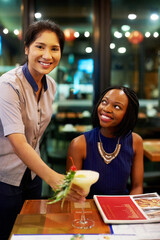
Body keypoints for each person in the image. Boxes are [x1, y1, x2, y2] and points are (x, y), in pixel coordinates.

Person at [0, 20, 85, 240]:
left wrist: (43, 175)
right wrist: (54, 178)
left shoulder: (52, 86)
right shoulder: (8, 85)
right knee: (7, 233)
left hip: (33, 175)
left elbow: (35, 136)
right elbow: (18, 141)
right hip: (5, 177)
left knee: (32, 232)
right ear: (27, 48)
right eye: (40, 46)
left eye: (54, 49)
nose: (47, 55)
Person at [67, 86, 144, 198]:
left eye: (117, 107)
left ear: (128, 114)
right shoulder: (79, 144)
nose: (106, 109)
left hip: (122, 207)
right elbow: (72, 191)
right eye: (104, 102)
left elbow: (137, 187)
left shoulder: (135, 141)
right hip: (88, 208)